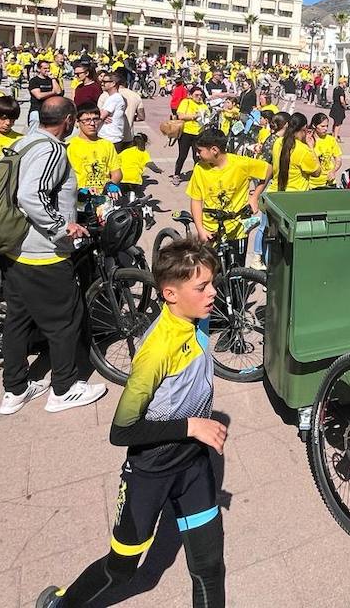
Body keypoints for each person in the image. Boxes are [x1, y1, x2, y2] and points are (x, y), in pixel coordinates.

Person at [35, 238, 227, 608]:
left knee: (209, 567)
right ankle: (61, 604)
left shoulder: (197, 317)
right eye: (202, 287)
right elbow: (121, 431)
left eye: (212, 283)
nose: (212, 293)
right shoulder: (156, 351)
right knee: (122, 569)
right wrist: (192, 426)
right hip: (149, 473)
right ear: (170, 294)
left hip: (193, 466)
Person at [0, 95, 108, 416]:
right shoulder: (51, 150)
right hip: (42, 252)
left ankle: (15, 389)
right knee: (65, 321)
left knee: (17, 320)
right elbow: (30, 195)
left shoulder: (27, 142)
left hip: (14, 248)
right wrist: (63, 227)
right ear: (69, 121)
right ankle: (64, 388)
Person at [186, 127, 272, 244]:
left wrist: (254, 197)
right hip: (210, 230)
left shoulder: (241, 164)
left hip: (237, 229)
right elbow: (196, 200)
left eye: (199, 150)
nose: (197, 154)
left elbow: (268, 169)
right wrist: (200, 230)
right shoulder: (200, 168)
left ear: (214, 150)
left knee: (236, 262)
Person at [68, 102, 122, 197]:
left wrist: (112, 183)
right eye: (87, 120)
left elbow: (116, 172)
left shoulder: (107, 144)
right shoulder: (69, 146)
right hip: (80, 197)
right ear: (77, 121)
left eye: (95, 119)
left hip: (104, 197)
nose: (92, 123)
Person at [272, 112, 321, 192]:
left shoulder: (278, 142)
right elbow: (317, 172)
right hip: (296, 195)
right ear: (304, 128)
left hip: (275, 191)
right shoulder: (303, 149)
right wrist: (311, 148)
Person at [117, 133, 160, 200]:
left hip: (122, 178)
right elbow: (150, 164)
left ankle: (123, 196)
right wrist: (158, 170)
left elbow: (116, 160)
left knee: (123, 190)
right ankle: (133, 195)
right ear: (145, 142)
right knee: (135, 188)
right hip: (135, 179)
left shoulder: (125, 151)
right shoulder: (143, 152)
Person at [98, 70, 130, 151]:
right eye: (102, 81)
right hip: (111, 138)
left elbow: (100, 117)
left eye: (105, 81)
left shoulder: (114, 98)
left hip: (109, 138)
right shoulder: (116, 97)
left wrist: (101, 118)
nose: (102, 83)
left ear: (113, 83)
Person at [26, 59, 61, 129]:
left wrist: (53, 79)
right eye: (45, 68)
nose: (47, 70)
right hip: (37, 110)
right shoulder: (34, 81)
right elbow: (39, 96)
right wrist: (52, 92)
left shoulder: (53, 80)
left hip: (51, 111)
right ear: (39, 69)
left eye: (48, 68)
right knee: (34, 134)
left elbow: (58, 92)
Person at [311, 113, 343, 188]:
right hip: (312, 183)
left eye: (327, 126)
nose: (325, 129)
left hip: (329, 182)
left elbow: (338, 159)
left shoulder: (331, 139)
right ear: (314, 126)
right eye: (322, 126)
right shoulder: (309, 140)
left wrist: (333, 171)